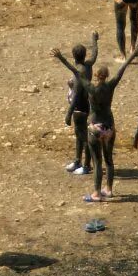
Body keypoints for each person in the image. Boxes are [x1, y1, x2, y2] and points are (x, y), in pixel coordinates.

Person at [85, 42, 138, 201]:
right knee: (109, 160)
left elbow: (76, 73)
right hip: (109, 127)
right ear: (107, 76)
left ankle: (96, 193)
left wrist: (61, 57)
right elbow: (122, 68)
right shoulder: (110, 86)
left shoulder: (90, 88)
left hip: (95, 126)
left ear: (96, 76)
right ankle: (109, 189)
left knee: (97, 163)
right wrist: (136, 50)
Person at [51, 33, 100, 174]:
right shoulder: (88, 65)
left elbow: (77, 95)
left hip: (80, 107)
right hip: (86, 105)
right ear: (84, 56)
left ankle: (86, 165)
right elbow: (95, 54)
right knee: (79, 136)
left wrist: (68, 113)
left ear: (74, 56)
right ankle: (78, 161)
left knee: (83, 137)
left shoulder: (79, 71)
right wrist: (94, 40)